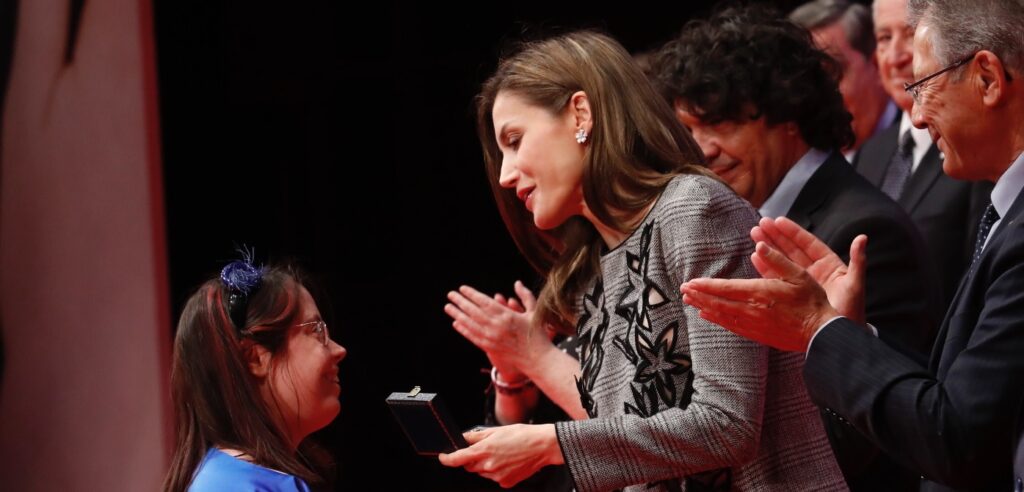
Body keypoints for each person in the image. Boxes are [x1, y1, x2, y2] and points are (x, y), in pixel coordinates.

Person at [440, 30, 844, 491]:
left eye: (514, 140)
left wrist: (552, 442)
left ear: (580, 114)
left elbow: (727, 425)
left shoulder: (694, 209)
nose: (507, 175)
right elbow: (636, 446)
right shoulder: (592, 261)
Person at [681, 0, 1024, 489]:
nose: (918, 119)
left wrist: (821, 329)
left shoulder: (870, 226)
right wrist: (846, 333)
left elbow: (956, 438)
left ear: (988, 78)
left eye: (923, 86)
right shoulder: (1007, 213)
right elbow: (949, 395)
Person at [651, 8, 937, 489]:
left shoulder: (865, 231)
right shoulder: (738, 219)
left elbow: (867, 437)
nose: (702, 150)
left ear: (787, 112)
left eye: (719, 123)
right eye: (689, 132)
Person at [162, 256, 348, 492]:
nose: (339, 350)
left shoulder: (230, 478)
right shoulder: (239, 486)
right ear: (255, 358)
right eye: (316, 330)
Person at [852, 0, 990, 309]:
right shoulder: (871, 152)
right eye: (885, 38)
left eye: (911, 33)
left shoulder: (975, 151)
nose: (898, 55)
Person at [790, 0, 897, 161]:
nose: (818, 95)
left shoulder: (922, 140)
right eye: (805, 80)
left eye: (832, 72)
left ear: (876, 65)